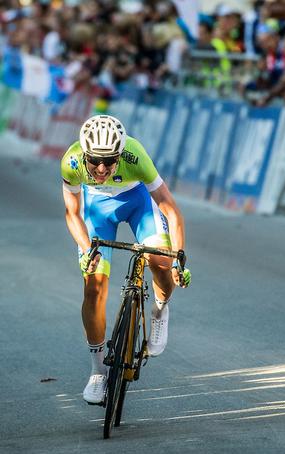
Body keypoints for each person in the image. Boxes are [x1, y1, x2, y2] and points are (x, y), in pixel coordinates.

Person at [61, 115, 191, 404]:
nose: (102, 168)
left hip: (137, 203)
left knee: (161, 262)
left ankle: (159, 309)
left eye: (110, 160)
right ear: (85, 154)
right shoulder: (71, 161)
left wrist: (179, 257)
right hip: (97, 212)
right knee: (93, 288)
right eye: (95, 161)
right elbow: (72, 212)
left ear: (121, 154)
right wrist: (86, 248)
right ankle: (97, 372)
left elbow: (171, 209)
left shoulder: (136, 155)